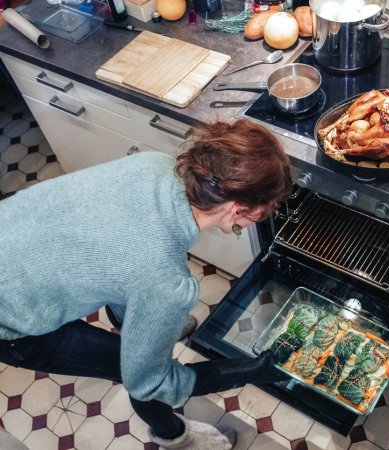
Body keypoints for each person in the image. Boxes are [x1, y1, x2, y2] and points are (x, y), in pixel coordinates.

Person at [0, 119, 292, 449]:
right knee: (131, 370)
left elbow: (125, 246)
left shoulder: (153, 164)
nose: (263, 217)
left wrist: (147, 322)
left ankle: (135, 328)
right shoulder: (165, 283)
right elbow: (148, 383)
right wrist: (250, 370)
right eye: (264, 211)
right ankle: (176, 438)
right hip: (9, 320)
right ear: (238, 209)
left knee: (143, 331)